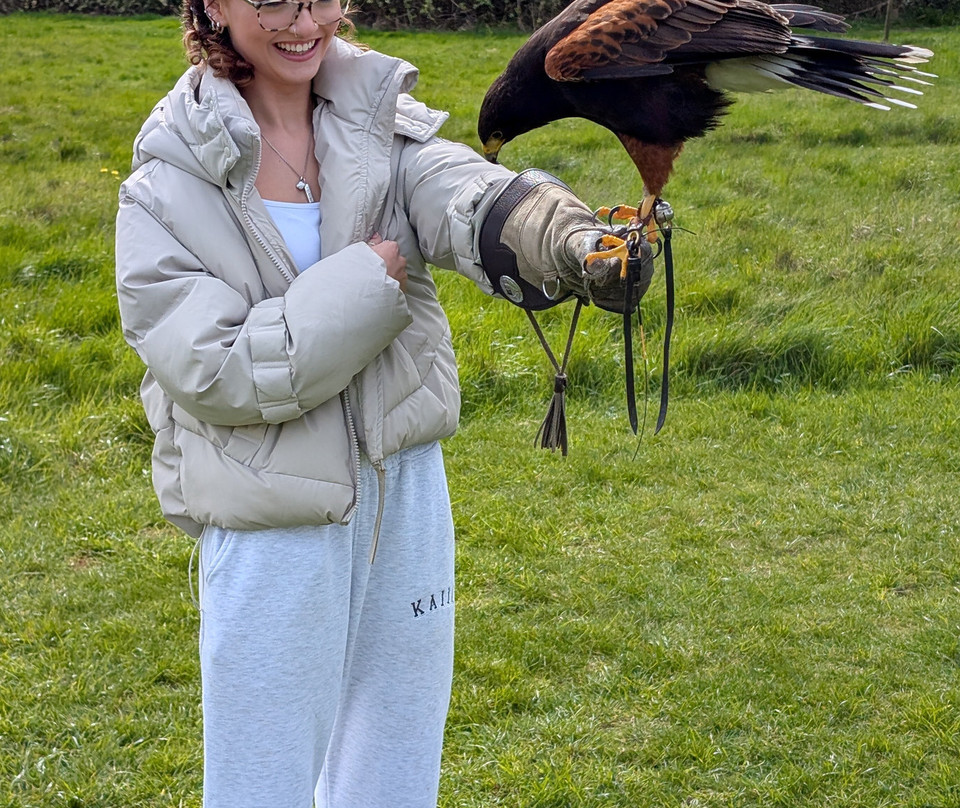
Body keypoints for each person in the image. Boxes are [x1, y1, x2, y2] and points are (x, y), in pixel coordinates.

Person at [114, 1, 652, 805]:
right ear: (212, 7)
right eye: (270, 0)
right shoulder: (163, 186)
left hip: (406, 494)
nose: (304, 21)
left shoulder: (374, 119)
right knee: (262, 787)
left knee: (395, 775)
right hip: (273, 525)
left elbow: (465, 195)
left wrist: (571, 240)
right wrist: (367, 282)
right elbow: (218, 370)